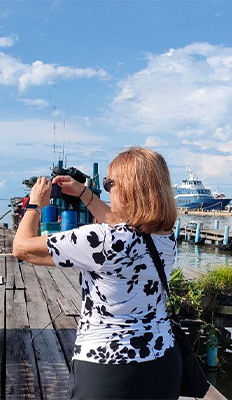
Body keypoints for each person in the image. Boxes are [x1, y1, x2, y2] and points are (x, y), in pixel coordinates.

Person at [13, 147, 181, 399]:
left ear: (127, 189)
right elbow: (118, 224)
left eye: (109, 183)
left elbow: (21, 248)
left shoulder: (101, 239)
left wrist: (35, 203)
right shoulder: (166, 236)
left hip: (109, 370)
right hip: (162, 362)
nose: (107, 188)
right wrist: (83, 193)